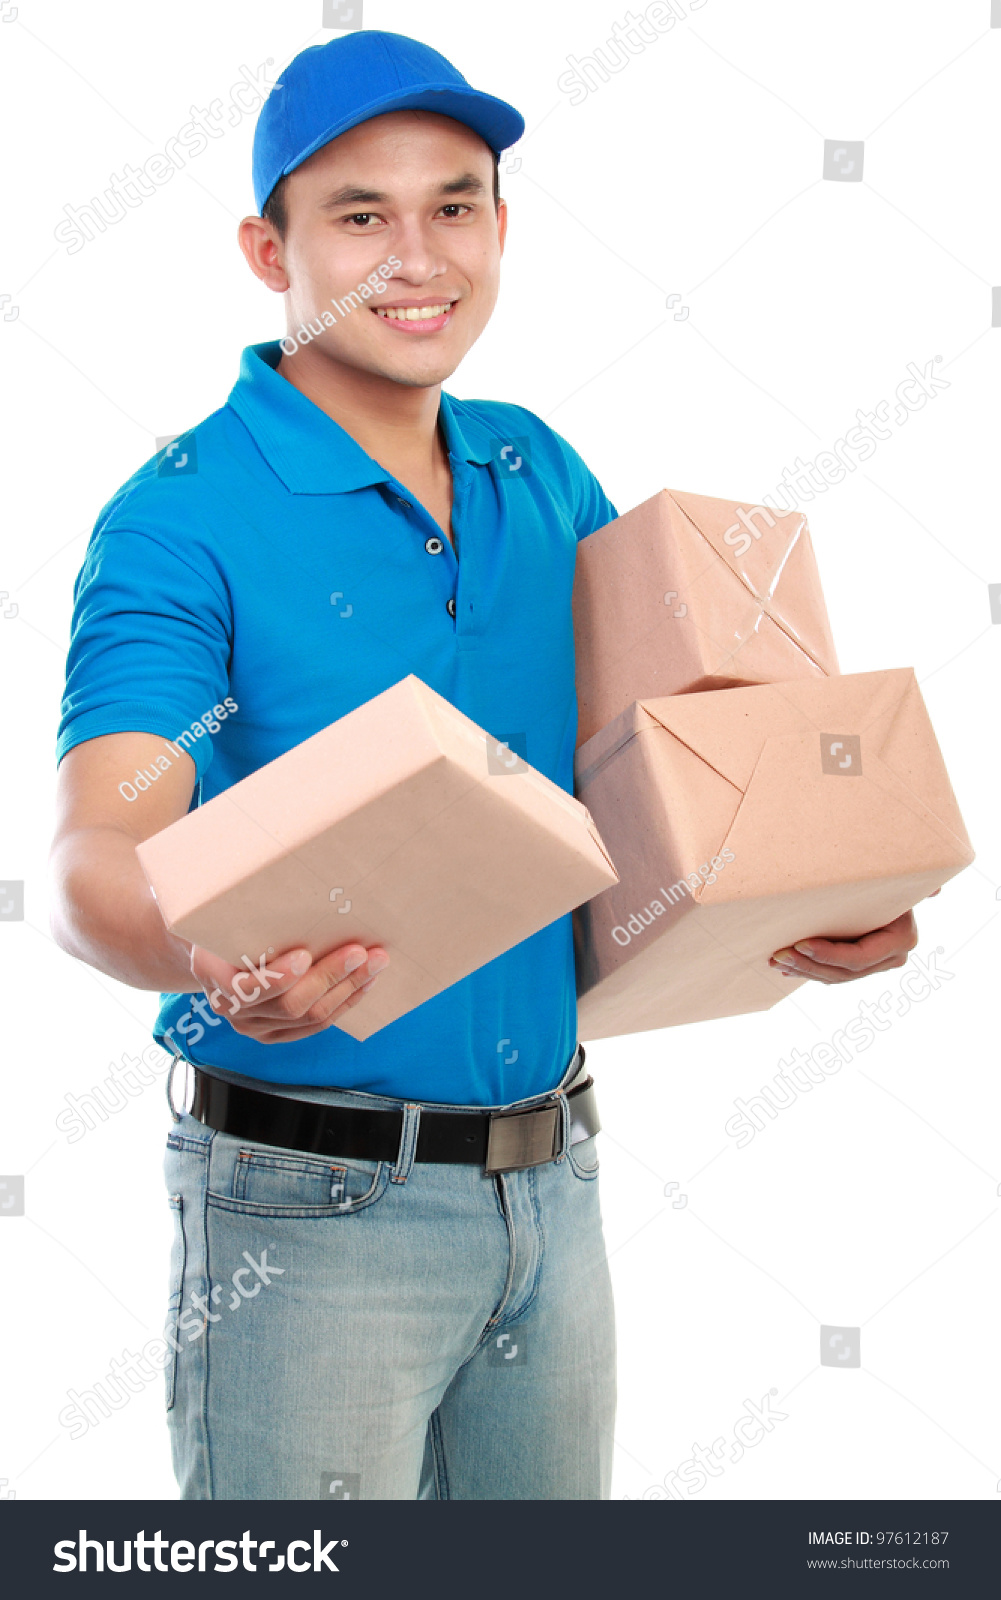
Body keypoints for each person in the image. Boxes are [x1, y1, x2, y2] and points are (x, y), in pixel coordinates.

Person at [49, 29, 922, 1501]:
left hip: (554, 1188)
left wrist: (801, 890)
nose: (417, 256)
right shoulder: (176, 521)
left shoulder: (534, 468)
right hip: (305, 1208)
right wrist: (207, 952)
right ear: (269, 252)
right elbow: (90, 866)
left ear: (502, 229)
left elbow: (665, 768)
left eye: (454, 206)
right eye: (358, 215)